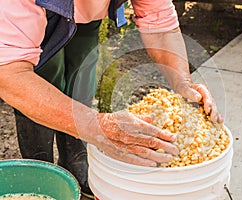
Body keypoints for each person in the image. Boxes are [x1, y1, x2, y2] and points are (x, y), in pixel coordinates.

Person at [0, 0, 223, 198]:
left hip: (87, 14)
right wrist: (96, 126)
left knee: (81, 73)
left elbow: (160, 23)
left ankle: (75, 159)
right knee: (46, 75)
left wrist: (182, 82)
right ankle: (41, 171)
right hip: (38, 12)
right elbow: (10, 75)